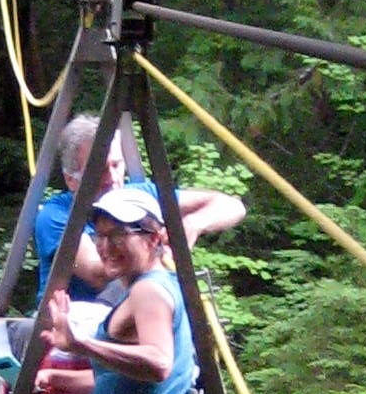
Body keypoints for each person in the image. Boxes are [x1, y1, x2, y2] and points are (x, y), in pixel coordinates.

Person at [34, 184, 198, 394]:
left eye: (118, 235)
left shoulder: (148, 290)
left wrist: (82, 344)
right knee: (41, 391)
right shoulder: (157, 284)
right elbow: (115, 378)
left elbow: (159, 363)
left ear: (154, 238)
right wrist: (55, 377)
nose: (105, 246)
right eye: (99, 236)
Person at [33, 111, 246, 297]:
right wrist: (157, 244)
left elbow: (231, 206)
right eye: (99, 169)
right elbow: (98, 272)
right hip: (75, 323)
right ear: (71, 180)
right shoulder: (55, 216)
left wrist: (193, 224)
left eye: (116, 165)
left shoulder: (141, 196)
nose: (112, 177)